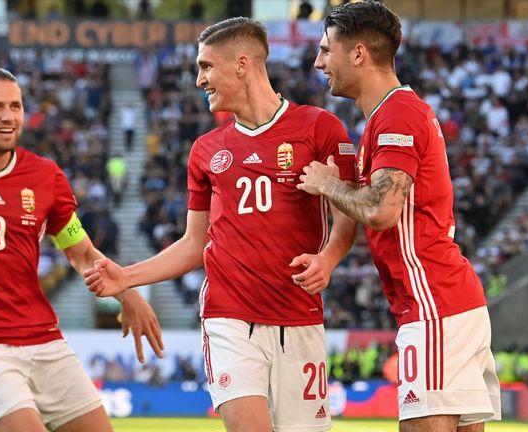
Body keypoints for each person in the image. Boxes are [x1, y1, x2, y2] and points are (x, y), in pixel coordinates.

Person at [84, 17, 357, 432]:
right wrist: (127, 277)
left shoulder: (320, 128)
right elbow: (195, 244)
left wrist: (329, 259)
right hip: (230, 317)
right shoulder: (206, 150)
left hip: (300, 316)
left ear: (242, 65)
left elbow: (347, 218)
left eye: (206, 66)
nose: (199, 79)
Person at [0, 66, 164, 432]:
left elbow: (80, 251)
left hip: (44, 339)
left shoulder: (45, 175)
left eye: (16, 106)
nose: (8, 116)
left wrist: (127, 293)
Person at [297, 2, 501, 431]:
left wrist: (328, 185)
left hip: (433, 305)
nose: (318, 63)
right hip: (449, 302)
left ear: (358, 54)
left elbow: (381, 210)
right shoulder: (388, 116)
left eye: (325, 50)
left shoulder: (397, 114)